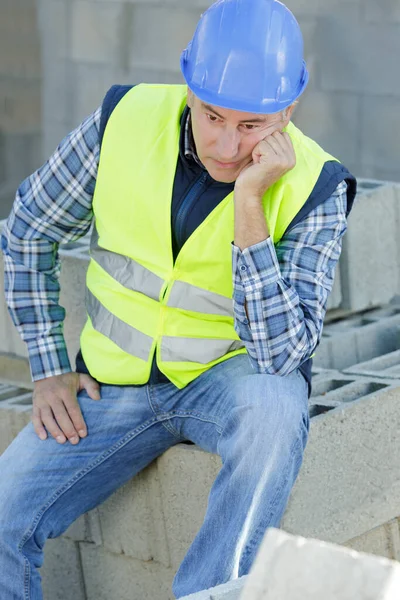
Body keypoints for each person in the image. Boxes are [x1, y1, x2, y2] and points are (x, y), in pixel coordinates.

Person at [0, 0, 356, 597]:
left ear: (288, 110)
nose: (225, 146)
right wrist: (48, 368)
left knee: (276, 411)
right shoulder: (123, 121)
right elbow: (27, 228)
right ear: (189, 87)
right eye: (212, 115)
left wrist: (250, 207)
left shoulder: (316, 185)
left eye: (252, 126)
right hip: (111, 385)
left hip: (227, 382)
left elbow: (279, 355)